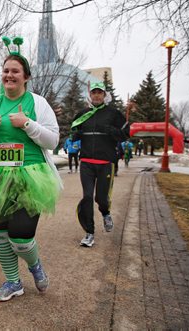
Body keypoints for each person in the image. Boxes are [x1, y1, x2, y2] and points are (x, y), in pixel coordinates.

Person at [0, 36, 62, 302]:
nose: (9, 75)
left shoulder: (38, 103)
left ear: (26, 77)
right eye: (6, 71)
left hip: (30, 176)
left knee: (22, 238)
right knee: (1, 236)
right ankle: (13, 282)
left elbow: (53, 140)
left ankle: (34, 264)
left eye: (15, 71)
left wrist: (28, 124)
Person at [70, 82, 130, 247]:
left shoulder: (114, 114)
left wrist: (110, 130)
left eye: (100, 93)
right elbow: (73, 131)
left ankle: (105, 213)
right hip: (86, 163)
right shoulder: (83, 113)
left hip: (105, 163)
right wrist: (76, 135)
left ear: (105, 96)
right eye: (94, 93)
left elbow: (125, 134)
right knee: (87, 197)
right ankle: (89, 233)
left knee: (101, 199)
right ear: (90, 95)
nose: (96, 96)